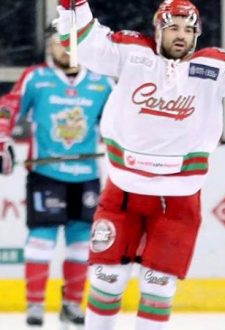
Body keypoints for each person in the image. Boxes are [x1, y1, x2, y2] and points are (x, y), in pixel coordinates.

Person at [54, 0, 225, 329]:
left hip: (179, 201)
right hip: (123, 193)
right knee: (107, 280)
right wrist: (73, 7)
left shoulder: (213, 66)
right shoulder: (130, 52)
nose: (182, 35)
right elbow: (86, 44)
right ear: (158, 29)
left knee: (157, 287)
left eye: (189, 29)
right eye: (174, 28)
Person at [0, 30, 113, 328]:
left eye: (71, 44)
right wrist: (3, 140)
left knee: (80, 243)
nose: (65, 49)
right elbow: (8, 108)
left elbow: (121, 125)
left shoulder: (102, 82)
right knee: (41, 240)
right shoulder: (36, 78)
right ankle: (35, 306)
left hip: (87, 176)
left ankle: (71, 304)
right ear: (50, 46)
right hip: (46, 175)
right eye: (58, 43)